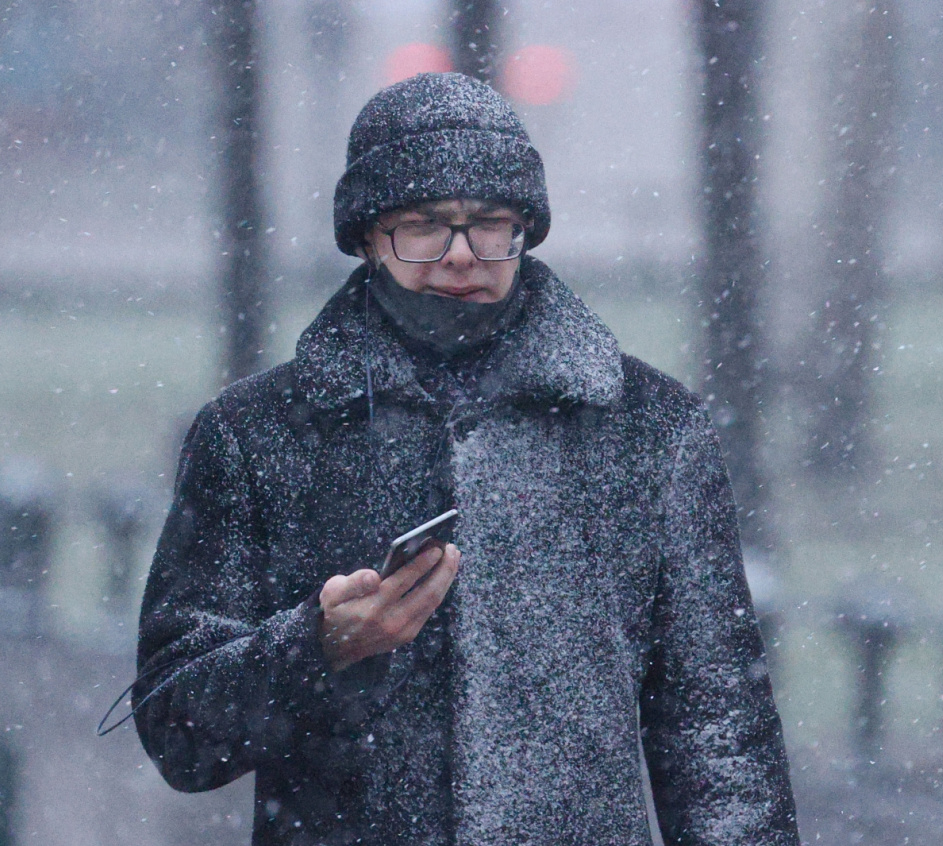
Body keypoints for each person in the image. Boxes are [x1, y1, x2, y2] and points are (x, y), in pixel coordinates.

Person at [134, 72, 799, 846]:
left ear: (526, 230)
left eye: (489, 223)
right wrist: (319, 647)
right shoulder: (255, 433)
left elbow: (720, 737)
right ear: (366, 236)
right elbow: (177, 732)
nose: (460, 256)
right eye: (423, 225)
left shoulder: (651, 428)